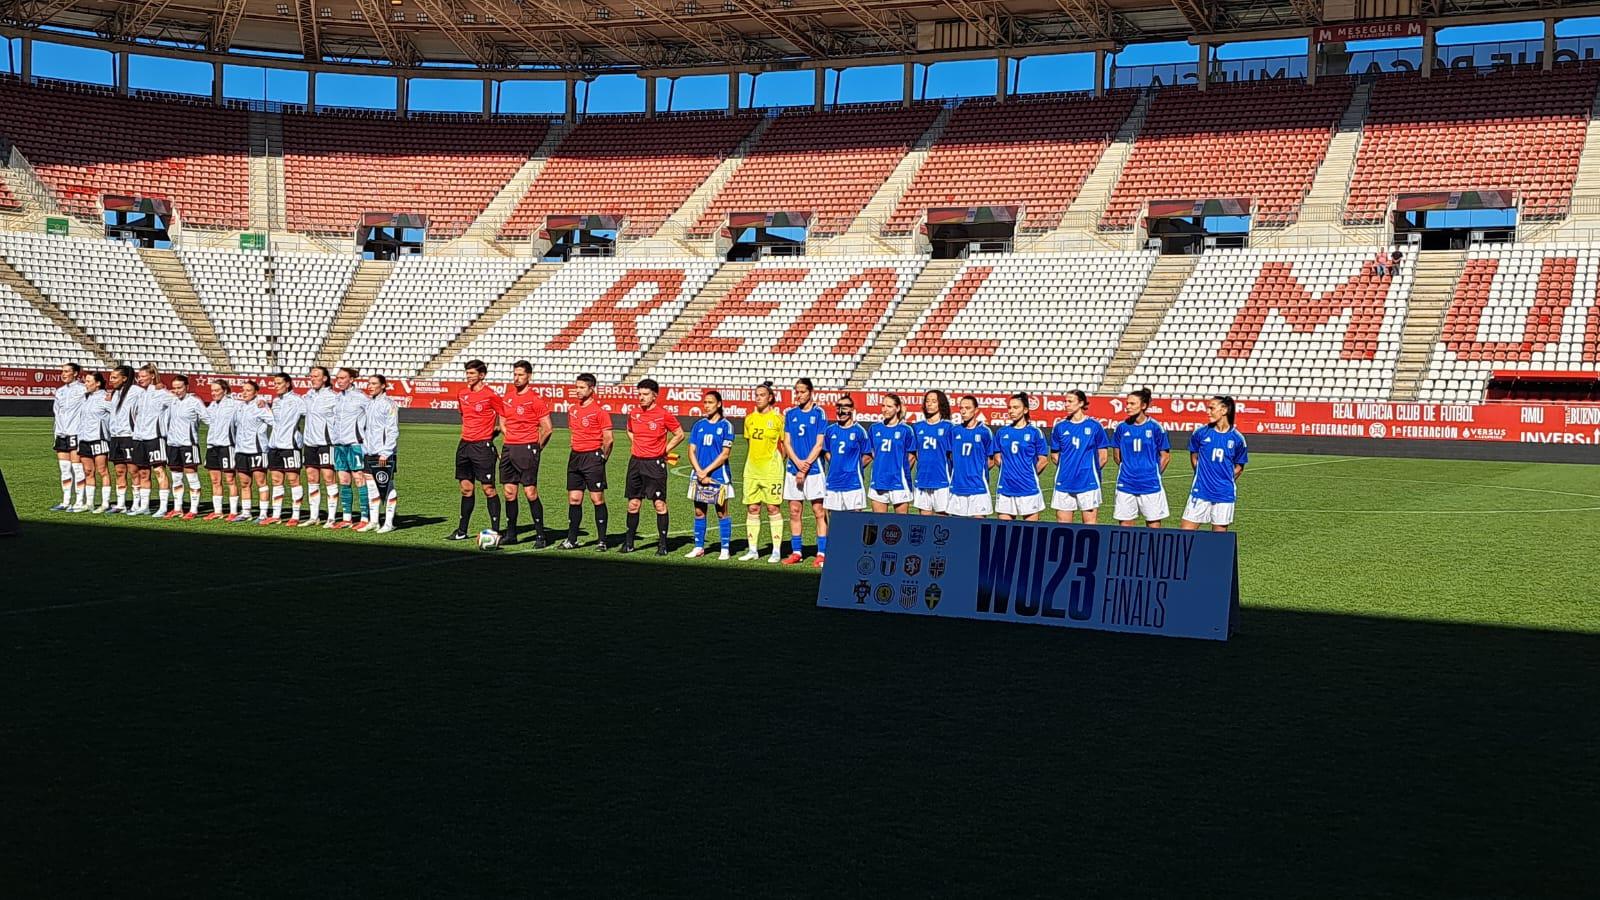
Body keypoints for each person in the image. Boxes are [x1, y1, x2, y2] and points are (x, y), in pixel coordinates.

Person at [622, 377, 684, 556]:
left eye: (645, 394)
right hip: (635, 463)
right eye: (639, 394)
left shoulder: (663, 414)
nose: (641, 397)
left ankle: (663, 545)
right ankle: (629, 543)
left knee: (659, 504)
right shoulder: (634, 413)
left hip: (655, 465)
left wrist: (664, 449)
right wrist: (638, 445)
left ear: (654, 395)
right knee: (633, 504)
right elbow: (629, 430)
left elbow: (679, 434)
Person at [449, 359, 506, 541]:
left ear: (482, 375)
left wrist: (495, 437)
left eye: (472, 373)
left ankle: (495, 531)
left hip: (483, 447)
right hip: (465, 445)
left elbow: (505, 419)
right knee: (466, 489)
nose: (468, 376)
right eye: (467, 373)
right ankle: (462, 530)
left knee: (488, 488)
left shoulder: (491, 396)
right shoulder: (462, 394)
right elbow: (464, 417)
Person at [499, 361, 554, 547]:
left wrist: (536, 448)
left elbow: (547, 429)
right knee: (509, 493)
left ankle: (540, 536)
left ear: (529, 376)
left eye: (520, 375)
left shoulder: (535, 400)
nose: (516, 378)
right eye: (514, 374)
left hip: (528, 448)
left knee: (530, 492)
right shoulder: (507, 398)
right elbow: (503, 422)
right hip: (509, 448)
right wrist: (511, 441)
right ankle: (511, 534)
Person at [561, 373, 613, 551]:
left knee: (596, 498)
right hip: (575, 457)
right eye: (577, 387)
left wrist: (602, 458)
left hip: (593, 457)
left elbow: (609, 439)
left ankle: (602, 540)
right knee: (574, 499)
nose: (578, 391)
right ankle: (572, 539)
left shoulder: (600, 412)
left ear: (592, 389)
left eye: (582, 387)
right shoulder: (573, 409)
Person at [781, 377, 828, 566]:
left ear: (810, 392)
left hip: (814, 470)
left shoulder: (819, 413)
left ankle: (822, 553)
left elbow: (819, 443)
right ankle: (797, 551)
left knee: (818, 510)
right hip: (794, 469)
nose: (798, 395)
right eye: (796, 391)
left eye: (801, 392)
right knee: (794, 510)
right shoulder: (790, 414)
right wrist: (797, 463)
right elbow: (787, 442)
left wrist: (806, 465)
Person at [1182, 396, 1248, 532]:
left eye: (1212, 408)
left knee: (1218, 542)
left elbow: (1239, 467)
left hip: (1224, 494)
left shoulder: (1238, 439)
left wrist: (1224, 481)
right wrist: (1202, 476)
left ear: (1224, 410)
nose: (1208, 412)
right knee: (1185, 535)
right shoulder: (1200, 433)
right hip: (1200, 491)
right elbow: (1194, 456)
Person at [739, 381, 786, 563]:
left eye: (762, 395)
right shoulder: (749, 419)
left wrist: (777, 463)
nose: (758, 398)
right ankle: (753, 550)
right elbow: (750, 444)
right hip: (752, 470)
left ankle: (776, 550)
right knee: (752, 508)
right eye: (756, 395)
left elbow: (784, 445)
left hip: (772, 471)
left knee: (773, 508)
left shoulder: (778, 419)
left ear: (770, 398)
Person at [685, 390, 735, 560]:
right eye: (705, 402)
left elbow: (725, 454)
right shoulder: (698, 425)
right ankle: (699, 547)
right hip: (698, 475)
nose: (706, 406)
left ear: (719, 404)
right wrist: (699, 471)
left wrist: (706, 471)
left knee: (722, 512)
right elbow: (691, 450)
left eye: (710, 402)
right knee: (699, 512)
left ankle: (725, 548)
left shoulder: (726, 425)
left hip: (718, 476)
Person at [819, 396, 871, 562]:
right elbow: (826, 451)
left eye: (846, 407)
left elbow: (868, 455)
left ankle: (856, 550)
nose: (842, 410)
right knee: (833, 519)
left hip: (853, 483)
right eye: (839, 406)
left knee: (855, 518)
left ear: (852, 409)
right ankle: (834, 550)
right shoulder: (830, 430)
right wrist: (835, 463)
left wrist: (851, 468)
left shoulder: (859, 431)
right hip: (833, 482)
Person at [1049, 390, 1110, 524]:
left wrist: (1088, 470)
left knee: (1089, 529)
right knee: (1063, 530)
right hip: (1064, 482)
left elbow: (1103, 456)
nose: (1066, 405)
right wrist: (1068, 467)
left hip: (1088, 483)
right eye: (1065, 401)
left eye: (1070, 401)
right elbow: (1054, 454)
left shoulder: (1095, 426)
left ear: (1081, 403)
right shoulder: (1059, 427)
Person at [1113, 388, 1172, 527]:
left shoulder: (1156, 428)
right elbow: (1117, 456)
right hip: (1125, 484)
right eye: (1127, 403)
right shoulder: (1121, 427)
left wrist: (1152, 472)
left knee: (1153, 527)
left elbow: (1165, 456)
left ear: (1143, 406)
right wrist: (1129, 470)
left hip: (1150, 484)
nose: (1127, 407)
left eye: (1132, 404)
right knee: (1125, 527)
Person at [993, 392, 1047, 521]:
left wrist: (1029, 473)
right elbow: (997, 457)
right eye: (1010, 408)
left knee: (1030, 533)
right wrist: (1009, 472)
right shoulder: (1002, 432)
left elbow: (1043, 460)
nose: (1011, 411)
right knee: (1004, 532)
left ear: (1025, 410)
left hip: (1029, 488)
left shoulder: (1035, 432)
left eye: (1015, 407)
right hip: (1006, 487)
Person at [159, 375, 206, 520]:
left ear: (187, 387)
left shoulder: (195, 402)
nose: (177, 391)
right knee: (176, 477)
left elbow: (208, 418)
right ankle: (177, 508)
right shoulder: (171, 400)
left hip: (188, 445)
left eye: (180, 387)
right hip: (172, 444)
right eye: (175, 388)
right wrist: (162, 389)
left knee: (191, 476)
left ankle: (193, 509)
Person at [358, 374, 400, 533]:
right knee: (371, 487)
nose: (370, 386)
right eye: (369, 383)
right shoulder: (369, 404)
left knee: (387, 485)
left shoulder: (389, 404)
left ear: (383, 386)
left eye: (374, 383)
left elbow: (392, 430)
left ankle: (389, 522)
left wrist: (386, 452)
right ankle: (374, 521)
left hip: (383, 453)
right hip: (369, 452)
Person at [328, 367, 370, 529]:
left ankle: (365, 517)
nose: (339, 381)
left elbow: (373, 414)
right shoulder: (337, 398)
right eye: (337, 378)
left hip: (355, 445)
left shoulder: (361, 398)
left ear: (351, 379)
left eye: (343, 378)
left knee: (359, 479)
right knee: (344, 480)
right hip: (339, 445)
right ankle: (347, 518)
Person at [263, 373, 307, 526]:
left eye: (279, 383)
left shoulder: (297, 401)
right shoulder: (275, 401)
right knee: (276, 480)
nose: (276, 386)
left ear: (287, 384)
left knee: (293, 480)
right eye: (274, 383)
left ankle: (295, 515)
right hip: (274, 446)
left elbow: (311, 415)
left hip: (290, 446)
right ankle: (276, 514)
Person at [130, 364, 173, 516]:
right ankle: (145, 506)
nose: (139, 379)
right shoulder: (141, 394)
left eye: (143, 376)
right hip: (139, 437)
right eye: (138, 377)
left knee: (159, 471)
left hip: (155, 437)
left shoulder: (163, 393)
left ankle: (163, 507)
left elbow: (178, 403)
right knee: (143, 472)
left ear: (152, 376)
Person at [300, 366, 339, 527]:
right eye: (311, 376)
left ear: (324, 378)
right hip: (309, 443)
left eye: (316, 376)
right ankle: (314, 516)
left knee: (329, 478)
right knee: (311, 478)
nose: (312, 378)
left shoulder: (333, 397)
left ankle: (331, 517)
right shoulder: (307, 396)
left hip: (326, 443)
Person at [228, 380, 273, 523]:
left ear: (256, 392)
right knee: (244, 483)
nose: (244, 393)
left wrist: (264, 403)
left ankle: (263, 514)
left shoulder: (260, 406)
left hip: (257, 450)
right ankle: (246, 512)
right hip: (241, 450)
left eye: (248, 390)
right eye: (243, 390)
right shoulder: (240, 407)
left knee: (261, 482)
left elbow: (274, 422)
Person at [947, 395, 996, 519]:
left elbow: (991, 460)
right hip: (957, 487)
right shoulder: (954, 431)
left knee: (978, 530)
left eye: (967, 408)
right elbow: (950, 457)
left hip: (978, 488)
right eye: (961, 408)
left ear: (976, 410)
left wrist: (975, 471)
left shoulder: (985, 432)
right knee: (956, 529)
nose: (963, 411)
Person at [867, 393, 915, 514]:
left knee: (901, 524)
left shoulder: (906, 430)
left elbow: (911, 456)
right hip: (879, 480)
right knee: (878, 523)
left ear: (897, 408)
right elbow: (872, 452)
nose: (885, 409)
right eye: (883, 406)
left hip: (899, 482)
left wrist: (899, 470)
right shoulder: (874, 428)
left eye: (889, 406)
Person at [72, 370, 113, 513]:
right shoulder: (85, 398)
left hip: (98, 439)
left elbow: (116, 414)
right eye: (85, 381)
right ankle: (89, 503)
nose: (86, 384)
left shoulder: (106, 398)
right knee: (88, 471)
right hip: (84, 439)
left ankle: (105, 503)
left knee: (102, 471)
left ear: (98, 384)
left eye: (89, 381)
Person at [200, 379, 241, 520]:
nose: (214, 393)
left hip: (226, 446)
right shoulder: (212, 406)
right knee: (215, 480)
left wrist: (261, 403)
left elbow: (249, 406)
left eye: (217, 390)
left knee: (230, 479)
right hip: (212, 446)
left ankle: (233, 511)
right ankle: (218, 511)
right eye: (212, 391)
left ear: (225, 390)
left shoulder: (234, 404)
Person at [911, 389, 953, 516]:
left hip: (942, 480)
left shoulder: (949, 427)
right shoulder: (917, 427)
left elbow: (952, 455)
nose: (929, 404)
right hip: (922, 479)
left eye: (934, 401)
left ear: (941, 404)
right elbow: (915, 453)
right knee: (924, 523)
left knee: (942, 523)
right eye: (927, 401)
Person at [50, 362, 85, 512]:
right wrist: (56, 432)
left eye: (66, 371)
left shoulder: (83, 390)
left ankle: (79, 501)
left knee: (77, 468)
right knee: (64, 469)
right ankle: (65, 501)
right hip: (61, 433)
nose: (63, 374)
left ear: (76, 373)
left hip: (75, 433)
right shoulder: (60, 391)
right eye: (62, 371)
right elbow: (56, 413)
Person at [104, 365, 139, 513]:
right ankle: (121, 503)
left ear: (124, 378)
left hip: (129, 437)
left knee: (134, 471)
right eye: (111, 377)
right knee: (119, 471)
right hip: (116, 437)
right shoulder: (115, 394)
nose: (111, 380)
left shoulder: (136, 392)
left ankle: (138, 504)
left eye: (114, 377)